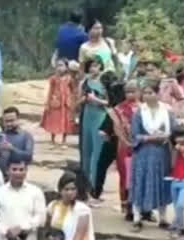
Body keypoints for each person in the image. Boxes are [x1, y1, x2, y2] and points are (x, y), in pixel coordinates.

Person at [130, 82, 175, 231]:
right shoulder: (139, 112)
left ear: (158, 93)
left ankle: (163, 218)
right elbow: (135, 134)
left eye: (151, 92)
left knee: (161, 183)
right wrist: (149, 138)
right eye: (145, 93)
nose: (148, 96)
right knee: (140, 182)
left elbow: (175, 131)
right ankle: (137, 218)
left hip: (162, 153)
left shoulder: (167, 111)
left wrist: (166, 136)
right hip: (144, 153)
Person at [78, 60, 112, 206]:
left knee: (97, 154)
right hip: (87, 116)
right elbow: (77, 101)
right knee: (86, 151)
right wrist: (84, 99)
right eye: (91, 66)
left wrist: (96, 99)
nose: (94, 69)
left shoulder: (105, 82)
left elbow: (110, 102)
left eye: (97, 66)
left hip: (100, 116)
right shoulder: (84, 82)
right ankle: (83, 187)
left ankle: (94, 189)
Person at [109, 81, 140, 219]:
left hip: (142, 147)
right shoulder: (118, 109)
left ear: (139, 91)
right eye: (128, 91)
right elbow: (116, 129)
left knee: (140, 177)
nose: (130, 94)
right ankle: (127, 206)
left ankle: (142, 208)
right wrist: (127, 141)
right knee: (126, 176)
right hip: (124, 147)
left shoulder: (144, 108)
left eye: (133, 91)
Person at [0, 107, 34, 177]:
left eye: (11, 121)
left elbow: (28, 156)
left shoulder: (26, 136)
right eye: (6, 121)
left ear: (18, 119)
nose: (9, 124)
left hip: (18, 176)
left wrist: (12, 149)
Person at [41, 59, 77, 147]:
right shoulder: (53, 78)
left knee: (66, 122)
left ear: (66, 67)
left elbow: (73, 90)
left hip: (66, 104)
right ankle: (52, 140)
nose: (59, 68)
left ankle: (64, 141)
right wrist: (48, 103)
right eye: (58, 66)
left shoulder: (69, 78)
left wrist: (73, 102)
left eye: (61, 65)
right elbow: (50, 91)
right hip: (56, 103)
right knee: (54, 121)